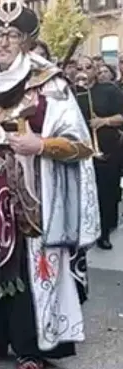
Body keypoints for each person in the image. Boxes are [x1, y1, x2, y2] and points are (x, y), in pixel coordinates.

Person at [0, 0, 98, 369]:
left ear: (26, 40)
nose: (3, 42)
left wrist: (42, 145)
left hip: (33, 194)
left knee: (27, 266)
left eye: (12, 35)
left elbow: (81, 144)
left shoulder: (50, 84)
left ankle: (29, 346)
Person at [74, 55, 123, 249]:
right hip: (80, 150)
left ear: (95, 70)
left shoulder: (109, 90)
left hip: (106, 148)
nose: (84, 71)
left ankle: (104, 232)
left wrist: (104, 121)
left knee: (106, 192)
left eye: (88, 67)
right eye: (80, 68)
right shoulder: (72, 92)